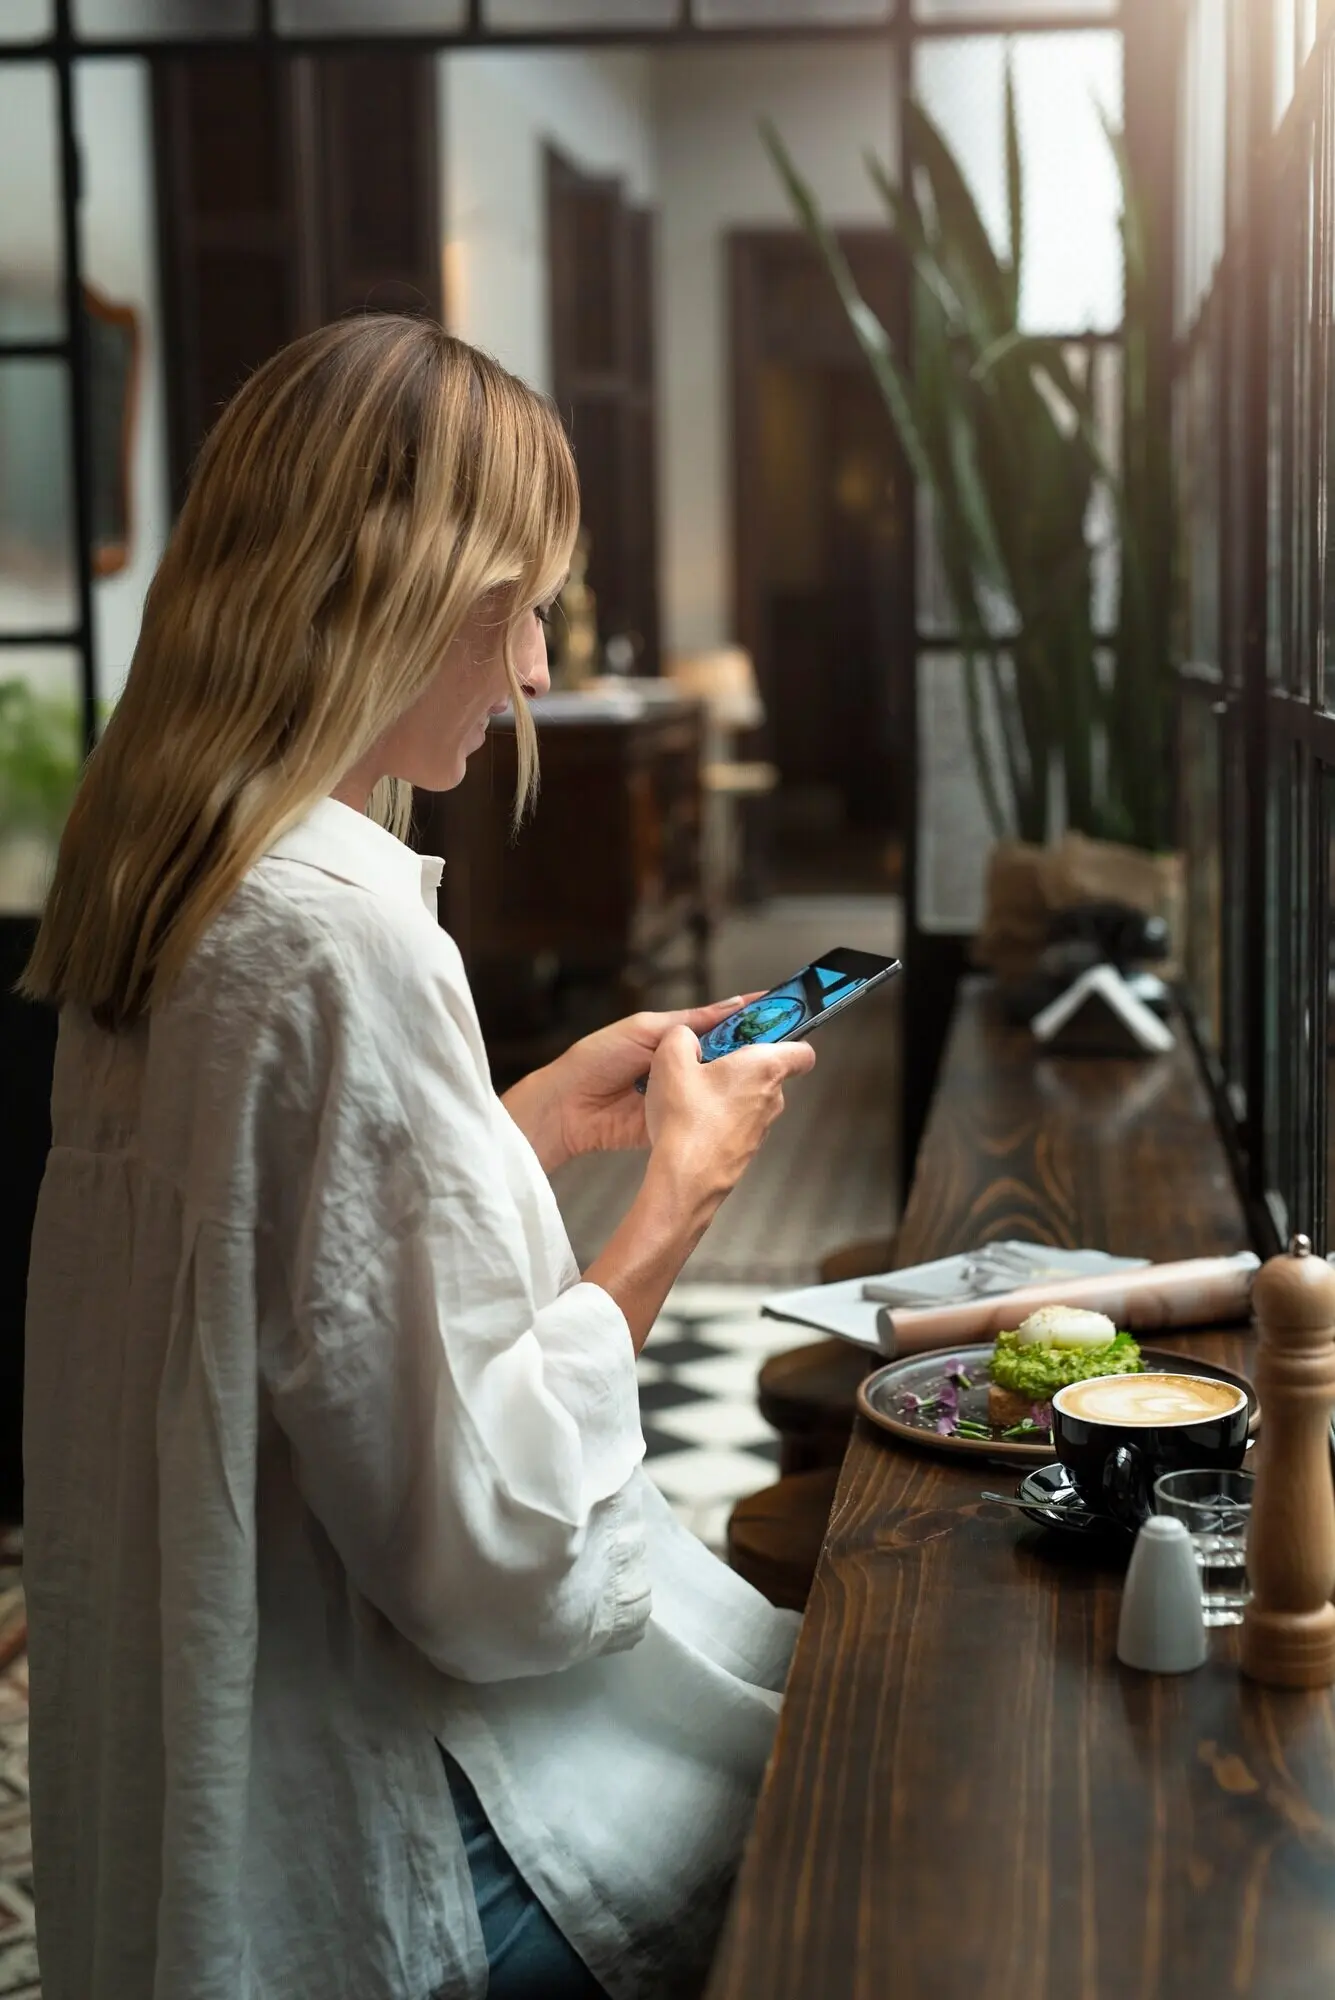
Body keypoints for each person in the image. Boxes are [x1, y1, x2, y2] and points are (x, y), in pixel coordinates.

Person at [19, 316, 815, 2000]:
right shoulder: (337, 934)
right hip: (397, 1838)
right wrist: (679, 1196)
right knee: (834, 1793)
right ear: (404, 594)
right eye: (517, 608)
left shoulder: (165, 875)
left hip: (200, 1786)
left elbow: (250, 1285)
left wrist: (513, 1123)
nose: (536, 668)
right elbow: (489, 1554)